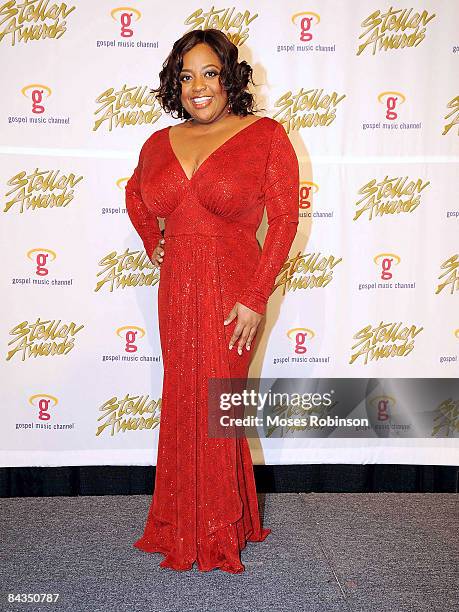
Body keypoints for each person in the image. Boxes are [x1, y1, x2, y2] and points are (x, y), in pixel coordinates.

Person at [125, 28, 299, 574]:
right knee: (183, 402)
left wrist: (255, 295)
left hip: (234, 294)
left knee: (219, 405)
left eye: (208, 73)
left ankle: (222, 530)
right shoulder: (157, 143)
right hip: (176, 291)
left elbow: (286, 220)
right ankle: (185, 523)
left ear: (230, 77)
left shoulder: (266, 135)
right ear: (174, 84)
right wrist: (154, 240)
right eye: (185, 75)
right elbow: (136, 195)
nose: (197, 86)